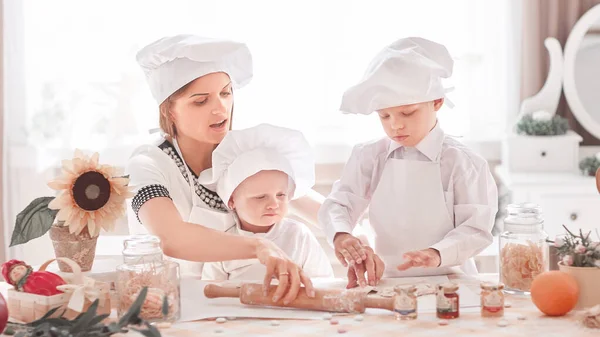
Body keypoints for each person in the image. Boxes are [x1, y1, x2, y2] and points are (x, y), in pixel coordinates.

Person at [126, 34, 323, 302]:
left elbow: (308, 203)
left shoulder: (239, 153)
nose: (220, 109)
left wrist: (350, 236)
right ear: (169, 110)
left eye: (225, 93)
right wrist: (260, 246)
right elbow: (171, 238)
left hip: (231, 304)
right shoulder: (148, 164)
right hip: (166, 305)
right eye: (200, 101)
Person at [319, 37, 498, 286]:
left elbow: (476, 228)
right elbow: (340, 203)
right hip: (386, 281)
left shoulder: (464, 163)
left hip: (452, 281)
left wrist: (436, 254)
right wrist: (341, 234)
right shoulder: (369, 156)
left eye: (407, 112)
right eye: (385, 116)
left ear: (437, 102)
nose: (395, 125)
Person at [200, 123, 334, 283]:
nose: (273, 204)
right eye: (260, 197)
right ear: (231, 200)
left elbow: (323, 282)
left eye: (281, 195)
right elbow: (208, 291)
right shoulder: (223, 245)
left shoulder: (299, 237)